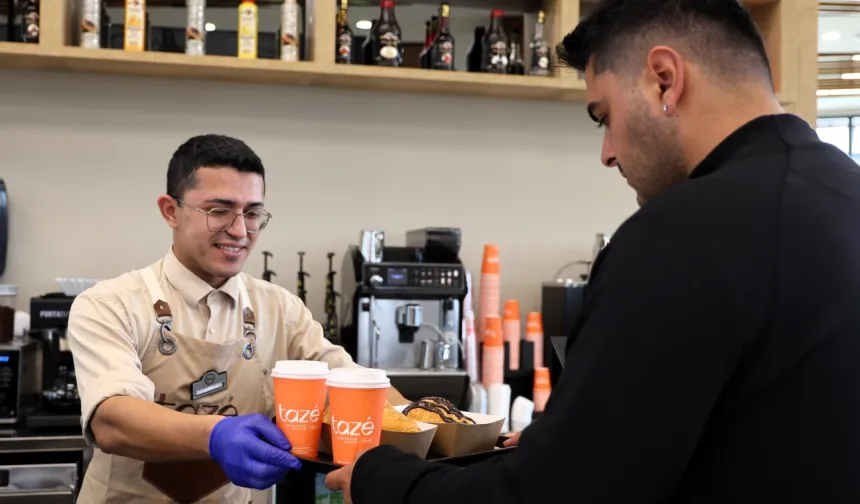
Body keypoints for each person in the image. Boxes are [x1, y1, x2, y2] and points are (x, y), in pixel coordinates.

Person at [325, 0, 860, 503]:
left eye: (602, 116)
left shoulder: (679, 234)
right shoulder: (845, 192)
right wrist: (569, 441)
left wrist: (385, 479)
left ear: (664, 80)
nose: (607, 154)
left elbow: (556, 495)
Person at [67, 134, 408, 504]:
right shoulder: (109, 304)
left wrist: (421, 423)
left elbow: (352, 384)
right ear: (170, 210)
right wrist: (215, 436)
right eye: (219, 210)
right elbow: (111, 421)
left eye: (253, 213)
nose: (239, 230)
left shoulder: (280, 310)